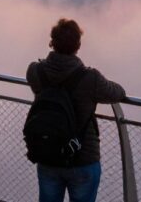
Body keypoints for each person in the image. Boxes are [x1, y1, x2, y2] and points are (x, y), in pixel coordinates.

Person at [27, 19, 126, 202]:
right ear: (78, 45)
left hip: (47, 153)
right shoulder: (90, 78)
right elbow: (118, 93)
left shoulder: (35, 71)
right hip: (83, 157)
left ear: (52, 42)